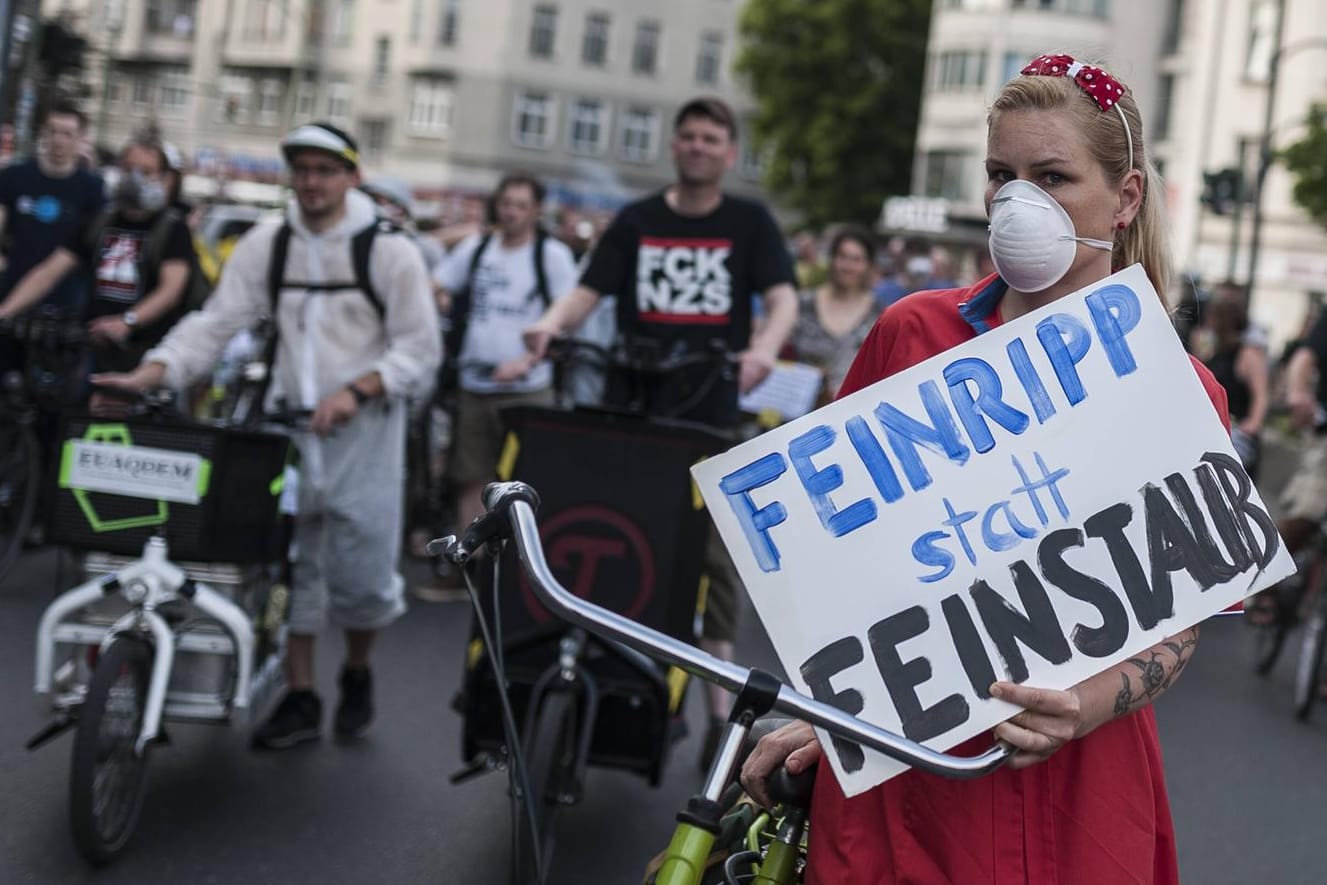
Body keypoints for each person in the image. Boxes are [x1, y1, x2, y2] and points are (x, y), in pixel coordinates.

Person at [740, 54, 1229, 884]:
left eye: (1051, 177)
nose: (1018, 204)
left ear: (1126, 197)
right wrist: (830, 718)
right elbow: (840, 571)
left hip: (1076, 788)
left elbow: (1177, 627)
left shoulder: (1181, 392)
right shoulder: (909, 333)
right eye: (1001, 176)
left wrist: (1086, 705)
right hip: (903, 777)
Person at [91, 122, 441, 748]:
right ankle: (302, 694)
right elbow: (215, 324)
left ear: (352, 175)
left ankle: (357, 670)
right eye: (301, 169)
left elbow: (421, 349)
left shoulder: (390, 250)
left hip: (367, 428)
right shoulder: (268, 242)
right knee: (295, 562)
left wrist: (358, 389)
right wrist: (147, 376)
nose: (311, 182)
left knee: (361, 575)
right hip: (286, 427)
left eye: (325, 170)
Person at [524, 96, 798, 761]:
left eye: (711, 138)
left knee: (711, 557)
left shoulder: (748, 221)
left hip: (707, 411)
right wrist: (551, 325)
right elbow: (587, 290)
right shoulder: (639, 219)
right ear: (673, 146)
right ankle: (588, 661)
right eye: (689, 136)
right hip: (632, 412)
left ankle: (717, 711)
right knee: (611, 530)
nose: (698, 146)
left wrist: (763, 347)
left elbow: (783, 297)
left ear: (728, 154)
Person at [426, 171, 578, 600]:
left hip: (528, 387)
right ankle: (467, 569)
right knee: (469, 477)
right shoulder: (478, 249)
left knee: (526, 482)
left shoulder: (551, 256)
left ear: (535, 211)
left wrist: (528, 360)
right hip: (476, 384)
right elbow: (437, 280)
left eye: (520, 205)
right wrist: (438, 297)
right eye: (505, 203)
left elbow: (568, 317)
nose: (510, 212)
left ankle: (526, 577)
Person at [0, 135, 194, 374]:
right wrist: (6, 312)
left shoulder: (173, 229)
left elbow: (171, 291)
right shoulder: (99, 221)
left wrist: (127, 322)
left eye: (146, 171)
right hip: (92, 349)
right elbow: (49, 272)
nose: (135, 178)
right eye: (129, 168)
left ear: (164, 179)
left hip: (147, 354)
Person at [0, 101, 104, 316]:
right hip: (11, 286)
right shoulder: (15, 176)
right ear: (43, 133)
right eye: (53, 132)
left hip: (65, 300)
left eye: (67, 134)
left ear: (80, 138)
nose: (58, 140)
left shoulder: (92, 188)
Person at [787, 225, 881, 407]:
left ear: (868, 265)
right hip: (797, 408)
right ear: (832, 260)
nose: (848, 266)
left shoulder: (879, 313)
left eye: (856, 259)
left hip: (852, 411)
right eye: (842, 257)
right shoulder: (803, 303)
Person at [1201, 291, 1267, 478]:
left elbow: (1260, 395)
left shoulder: (1247, 354)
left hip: (1237, 434)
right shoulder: (1215, 350)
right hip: (1216, 434)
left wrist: (1252, 424)